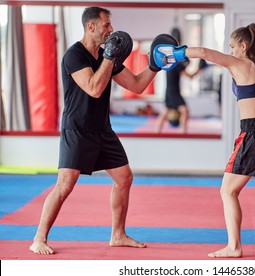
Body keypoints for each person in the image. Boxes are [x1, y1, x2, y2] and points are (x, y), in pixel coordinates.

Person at [154, 23, 255, 258]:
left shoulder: (240, 64)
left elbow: (203, 53)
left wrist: (173, 53)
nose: (230, 52)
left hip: (254, 134)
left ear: (244, 45)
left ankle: (234, 246)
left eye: (232, 47)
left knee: (227, 191)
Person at [29, 6, 159, 254]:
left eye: (110, 25)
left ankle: (118, 234)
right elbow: (93, 88)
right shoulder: (74, 56)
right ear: (91, 26)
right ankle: (39, 238)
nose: (111, 30)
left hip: (102, 130)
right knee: (65, 184)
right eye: (106, 25)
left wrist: (155, 65)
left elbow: (136, 85)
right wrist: (109, 58)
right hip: (77, 130)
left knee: (124, 178)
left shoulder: (105, 55)